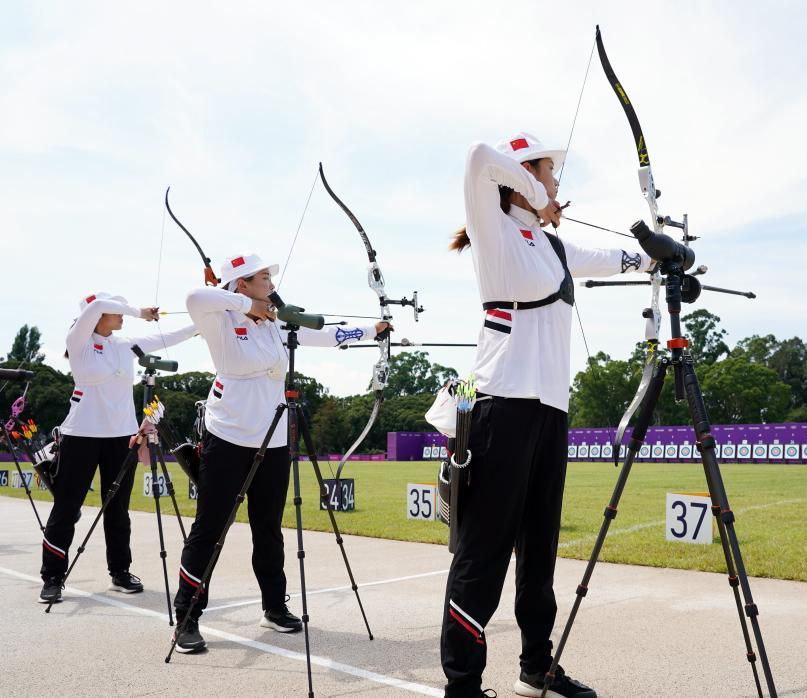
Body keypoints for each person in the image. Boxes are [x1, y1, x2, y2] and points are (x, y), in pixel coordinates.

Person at [442, 133, 657, 698]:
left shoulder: (551, 246)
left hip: (549, 410)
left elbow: (610, 260)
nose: (557, 184)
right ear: (525, 176)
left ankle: (537, 666)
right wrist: (535, 193)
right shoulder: (495, 228)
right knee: (484, 551)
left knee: (539, 548)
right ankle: (462, 684)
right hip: (501, 406)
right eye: (548, 173)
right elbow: (478, 156)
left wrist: (659, 254)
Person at [172, 252, 391, 654]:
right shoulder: (220, 319)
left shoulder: (276, 324)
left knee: (268, 529)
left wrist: (370, 330)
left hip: (272, 440)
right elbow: (194, 297)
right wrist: (248, 305)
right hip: (227, 439)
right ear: (241, 285)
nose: (272, 285)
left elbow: (323, 334)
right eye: (262, 279)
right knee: (210, 528)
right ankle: (186, 614)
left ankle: (274, 607)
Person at [39, 292, 197, 604]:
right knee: (66, 509)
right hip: (81, 435)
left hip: (122, 438)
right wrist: (140, 311)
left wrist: (200, 325)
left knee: (118, 511)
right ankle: (53, 577)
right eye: (116, 310)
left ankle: (120, 572)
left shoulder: (124, 345)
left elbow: (165, 337)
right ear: (97, 316)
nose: (121, 315)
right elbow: (97, 305)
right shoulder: (78, 342)